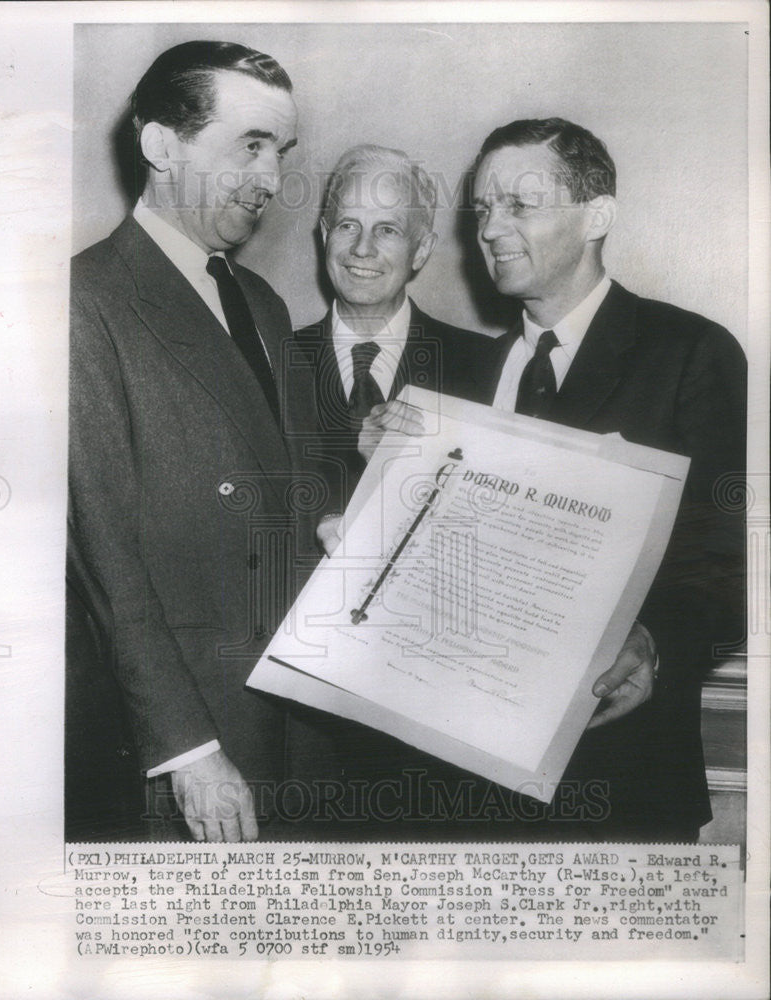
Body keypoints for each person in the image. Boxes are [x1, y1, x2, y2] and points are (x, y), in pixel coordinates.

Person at [363, 118, 746, 841]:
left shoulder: (689, 353)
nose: (490, 229)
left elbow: (731, 565)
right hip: (458, 794)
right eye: (482, 209)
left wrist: (655, 644)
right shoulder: (460, 375)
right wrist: (378, 483)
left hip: (618, 785)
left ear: (595, 215)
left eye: (519, 204)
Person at [66, 41, 325, 843]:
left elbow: (289, 495)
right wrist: (187, 749)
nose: (273, 181)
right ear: (160, 145)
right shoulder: (85, 301)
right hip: (191, 744)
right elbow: (104, 552)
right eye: (249, 145)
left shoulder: (262, 302)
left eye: (279, 153)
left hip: (292, 721)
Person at [296, 145, 491, 514]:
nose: (362, 248)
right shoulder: (271, 361)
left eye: (387, 229)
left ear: (421, 250)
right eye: (347, 225)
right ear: (325, 236)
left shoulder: (483, 367)